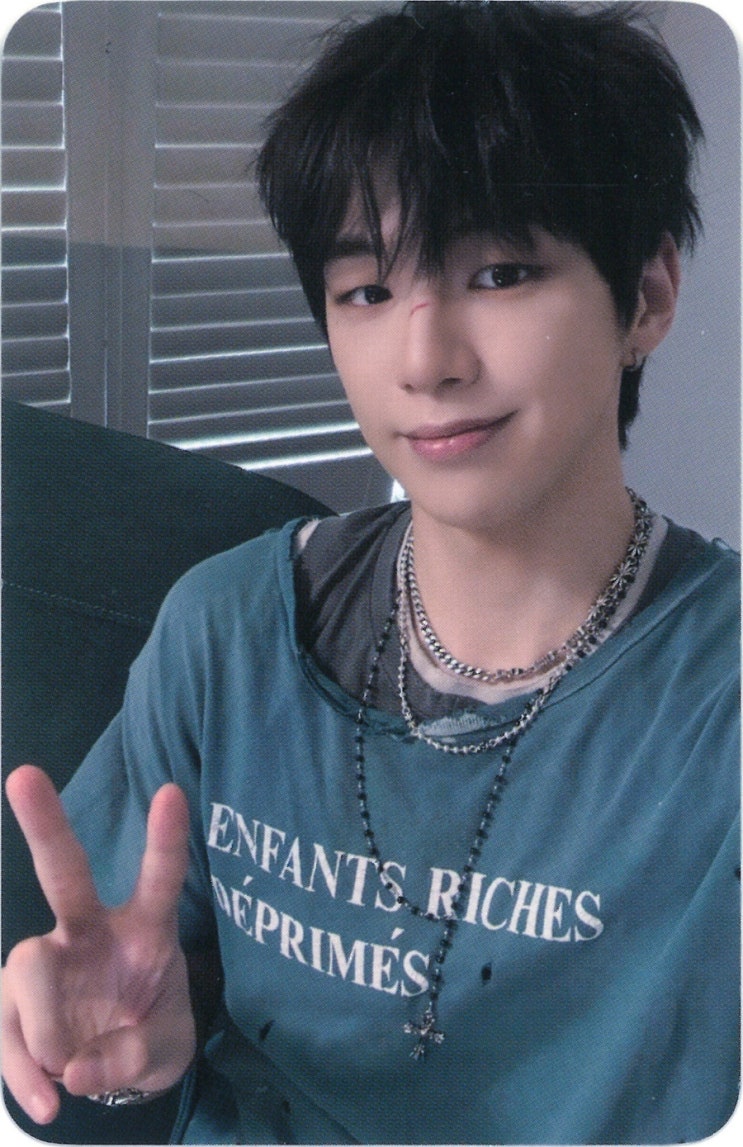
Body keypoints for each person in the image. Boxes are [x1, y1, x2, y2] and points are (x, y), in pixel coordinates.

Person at [2, 2, 739, 1143]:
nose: (423, 359)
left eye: (500, 272)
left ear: (644, 297)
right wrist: (115, 1057)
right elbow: (110, 998)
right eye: (366, 291)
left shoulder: (714, 701)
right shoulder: (223, 635)